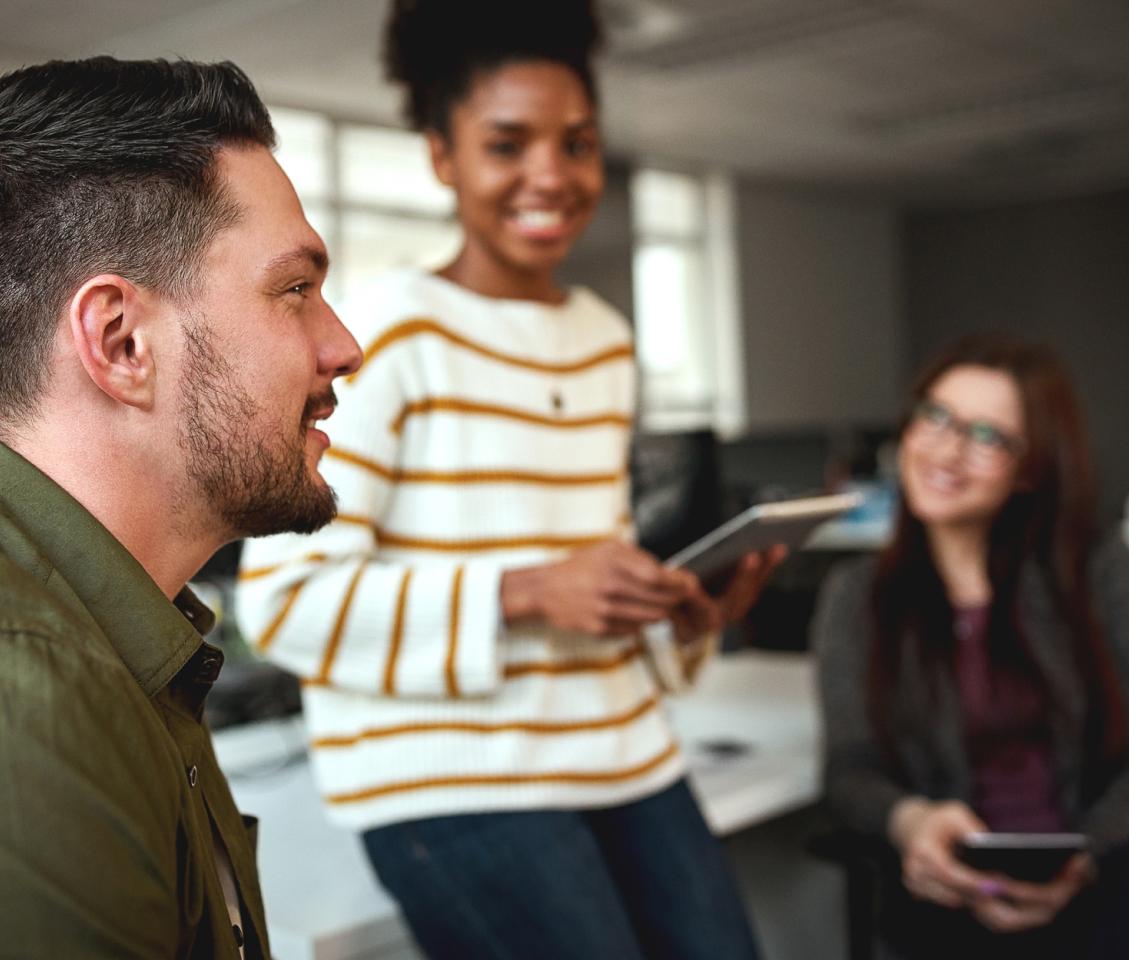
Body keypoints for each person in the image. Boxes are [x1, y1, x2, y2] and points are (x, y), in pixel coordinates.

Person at [235, 1, 781, 956]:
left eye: (577, 144)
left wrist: (678, 617)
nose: (550, 175)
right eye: (507, 143)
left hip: (625, 750)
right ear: (443, 156)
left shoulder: (605, 342)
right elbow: (285, 605)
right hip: (452, 780)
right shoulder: (389, 339)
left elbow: (586, 600)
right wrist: (528, 590)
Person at [0, 57, 363, 958]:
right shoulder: (30, 695)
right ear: (122, 343)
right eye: (294, 290)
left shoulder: (113, 638)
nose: (344, 345)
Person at [814, 332, 1129, 959]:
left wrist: (1085, 855)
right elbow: (851, 771)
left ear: (1031, 469)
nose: (947, 452)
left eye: (987, 437)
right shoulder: (858, 595)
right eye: (936, 417)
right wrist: (911, 822)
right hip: (951, 894)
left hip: (1107, 876)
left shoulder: (1100, 570)